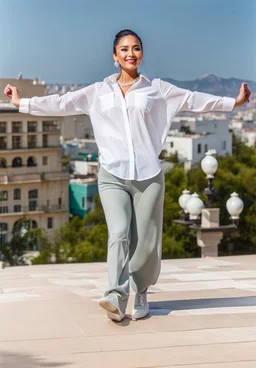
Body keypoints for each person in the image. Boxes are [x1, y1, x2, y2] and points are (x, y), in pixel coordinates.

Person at [4, 29, 251, 322]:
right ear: (114, 56)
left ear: (141, 54)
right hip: (112, 175)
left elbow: (194, 99)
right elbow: (62, 103)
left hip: (148, 177)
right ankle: (115, 295)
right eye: (124, 49)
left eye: (135, 48)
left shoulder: (157, 89)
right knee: (119, 233)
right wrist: (22, 103)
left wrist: (232, 103)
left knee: (146, 242)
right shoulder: (97, 92)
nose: (130, 54)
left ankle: (141, 292)